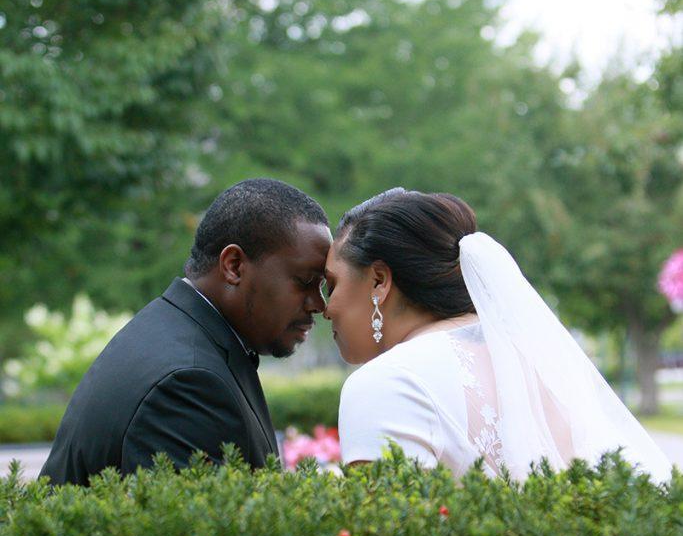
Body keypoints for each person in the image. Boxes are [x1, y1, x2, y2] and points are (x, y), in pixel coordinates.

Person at [324, 188, 671, 483]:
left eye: (332, 284)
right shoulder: (533, 363)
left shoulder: (382, 384)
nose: (324, 308)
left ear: (379, 281)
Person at [41, 178, 331, 485]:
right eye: (304, 281)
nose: (319, 304)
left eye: (323, 287)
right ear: (233, 266)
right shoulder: (187, 383)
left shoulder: (178, 335)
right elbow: (195, 531)